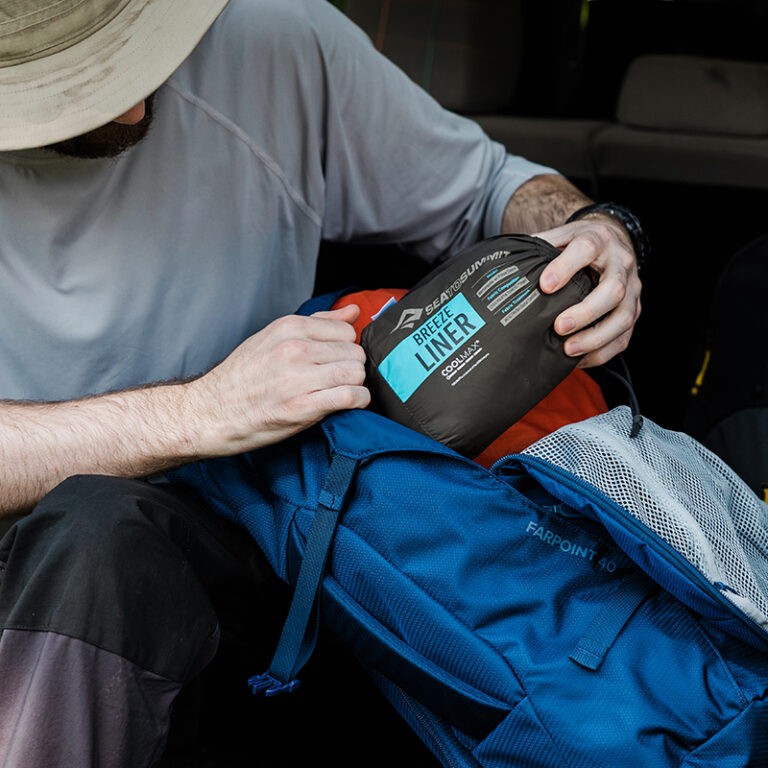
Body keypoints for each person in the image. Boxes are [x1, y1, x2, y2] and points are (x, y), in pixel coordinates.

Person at [0, 1, 642, 766]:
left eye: (140, 56)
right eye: (79, 85)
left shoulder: (277, 37)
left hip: (240, 527)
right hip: (58, 537)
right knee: (93, 527)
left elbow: (489, 189)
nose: (139, 103)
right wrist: (200, 411)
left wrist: (592, 232)